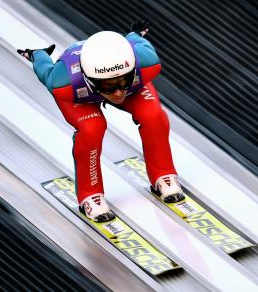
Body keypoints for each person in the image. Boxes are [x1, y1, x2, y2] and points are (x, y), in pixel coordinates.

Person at [17, 20, 185, 222]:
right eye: (108, 86)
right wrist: (38, 54)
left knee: (154, 116)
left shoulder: (147, 62)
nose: (117, 93)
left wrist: (134, 33)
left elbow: (135, 41)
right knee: (92, 128)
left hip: (115, 85)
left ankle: (163, 174)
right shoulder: (64, 83)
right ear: (89, 79)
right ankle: (90, 195)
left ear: (132, 69)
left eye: (123, 81)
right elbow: (45, 71)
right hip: (81, 97)